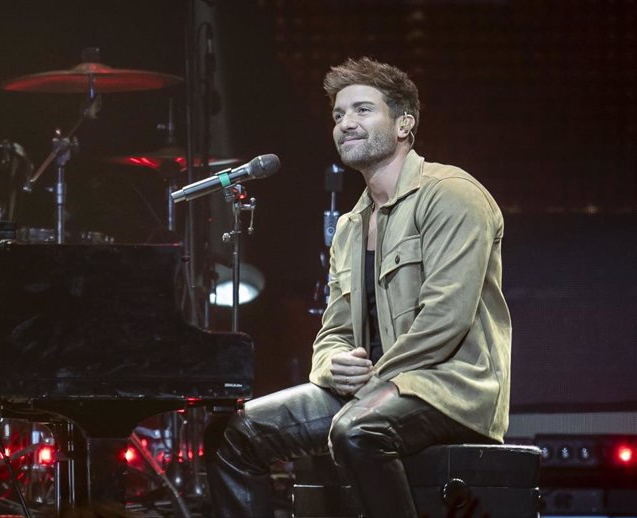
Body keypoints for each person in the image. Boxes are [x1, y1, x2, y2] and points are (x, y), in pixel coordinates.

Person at [205, 56, 511, 518]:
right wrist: (333, 368)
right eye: (338, 115)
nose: (346, 123)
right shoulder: (350, 225)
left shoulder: (451, 194)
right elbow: (333, 331)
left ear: (404, 123)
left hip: (448, 389)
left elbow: (446, 318)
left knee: (356, 430)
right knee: (234, 433)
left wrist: (373, 379)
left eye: (363, 110)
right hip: (371, 393)